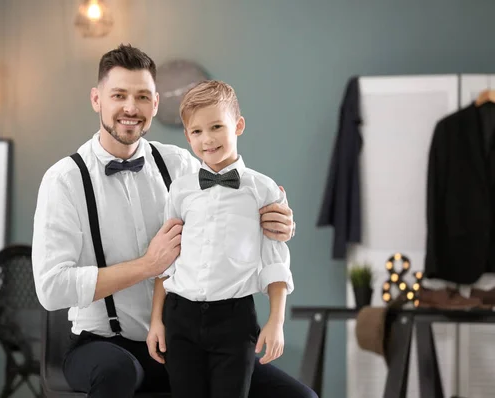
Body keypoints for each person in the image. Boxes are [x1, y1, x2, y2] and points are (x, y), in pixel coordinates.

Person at [32, 44, 318, 398]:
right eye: (118, 95)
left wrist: (279, 223)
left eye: (142, 96)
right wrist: (146, 266)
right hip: (100, 345)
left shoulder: (181, 165)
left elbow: (236, 206)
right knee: (117, 372)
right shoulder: (64, 179)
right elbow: (51, 289)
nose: (130, 108)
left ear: (155, 104)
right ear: (96, 99)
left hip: (180, 341)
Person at [147, 80, 294, 398]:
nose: (207, 139)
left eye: (217, 126)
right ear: (187, 136)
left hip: (234, 321)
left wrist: (276, 321)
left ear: (238, 125)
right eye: (197, 131)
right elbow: (167, 260)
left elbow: (275, 262)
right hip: (180, 319)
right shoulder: (181, 190)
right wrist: (156, 321)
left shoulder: (263, 190)